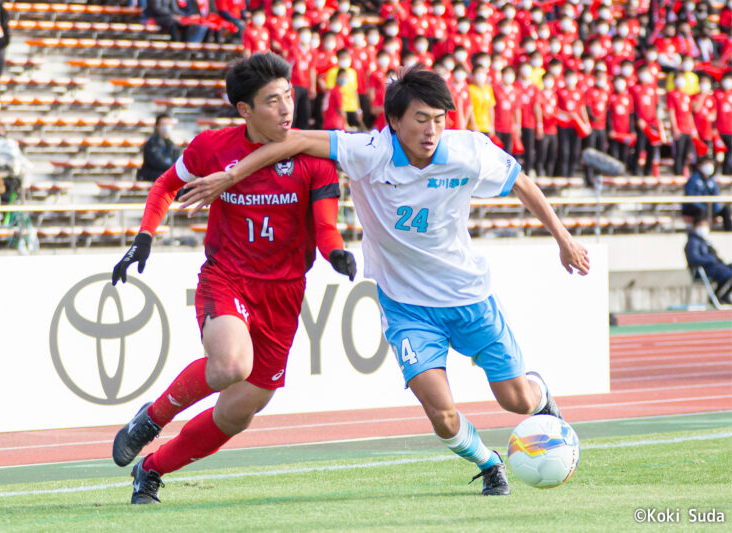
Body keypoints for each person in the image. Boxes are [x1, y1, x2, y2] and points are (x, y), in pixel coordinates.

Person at [179, 66, 591, 496]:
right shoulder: (370, 152)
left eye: (439, 119)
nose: (432, 130)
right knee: (443, 416)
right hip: (407, 307)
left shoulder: (468, 150)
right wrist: (230, 176)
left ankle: (541, 396)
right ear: (395, 121)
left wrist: (563, 239)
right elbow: (296, 139)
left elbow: (522, 183)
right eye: (420, 119)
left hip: (469, 296)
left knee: (517, 402)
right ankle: (489, 464)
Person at [109, 53, 357, 505]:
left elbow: (325, 224)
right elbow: (165, 185)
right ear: (244, 110)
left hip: (284, 295)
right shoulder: (212, 147)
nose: (286, 110)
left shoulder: (312, 156)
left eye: (289, 97)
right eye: (272, 101)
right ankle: (151, 418)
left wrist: (336, 252)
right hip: (227, 279)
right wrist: (145, 235)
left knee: (238, 413)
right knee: (229, 366)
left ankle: (151, 469)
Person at [685, 218, 732, 303]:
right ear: (696, 227)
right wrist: (711, 259)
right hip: (704, 270)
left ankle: (723, 296)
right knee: (727, 273)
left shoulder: (704, 241)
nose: (704, 229)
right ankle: (716, 297)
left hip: (714, 267)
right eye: (702, 226)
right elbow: (694, 259)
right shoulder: (692, 242)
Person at [682, 157, 732, 231]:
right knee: (700, 211)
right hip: (695, 207)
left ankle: (728, 230)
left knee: (726, 209)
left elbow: (716, 196)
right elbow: (690, 197)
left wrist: (716, 209)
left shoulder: (712, 181)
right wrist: (704, 207)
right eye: (706, 164)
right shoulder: (693, 179)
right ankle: (700, 230)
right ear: (700, 166)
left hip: (709, 208)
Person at [138, 114, 181, 182]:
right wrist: (174, 167)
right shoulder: (152, 143)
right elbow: (158, 162)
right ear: (157, 126)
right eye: (163, 124)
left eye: (168, 124)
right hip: (153, 174)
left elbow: (177, 159)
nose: (166, 127)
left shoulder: (170, 143)